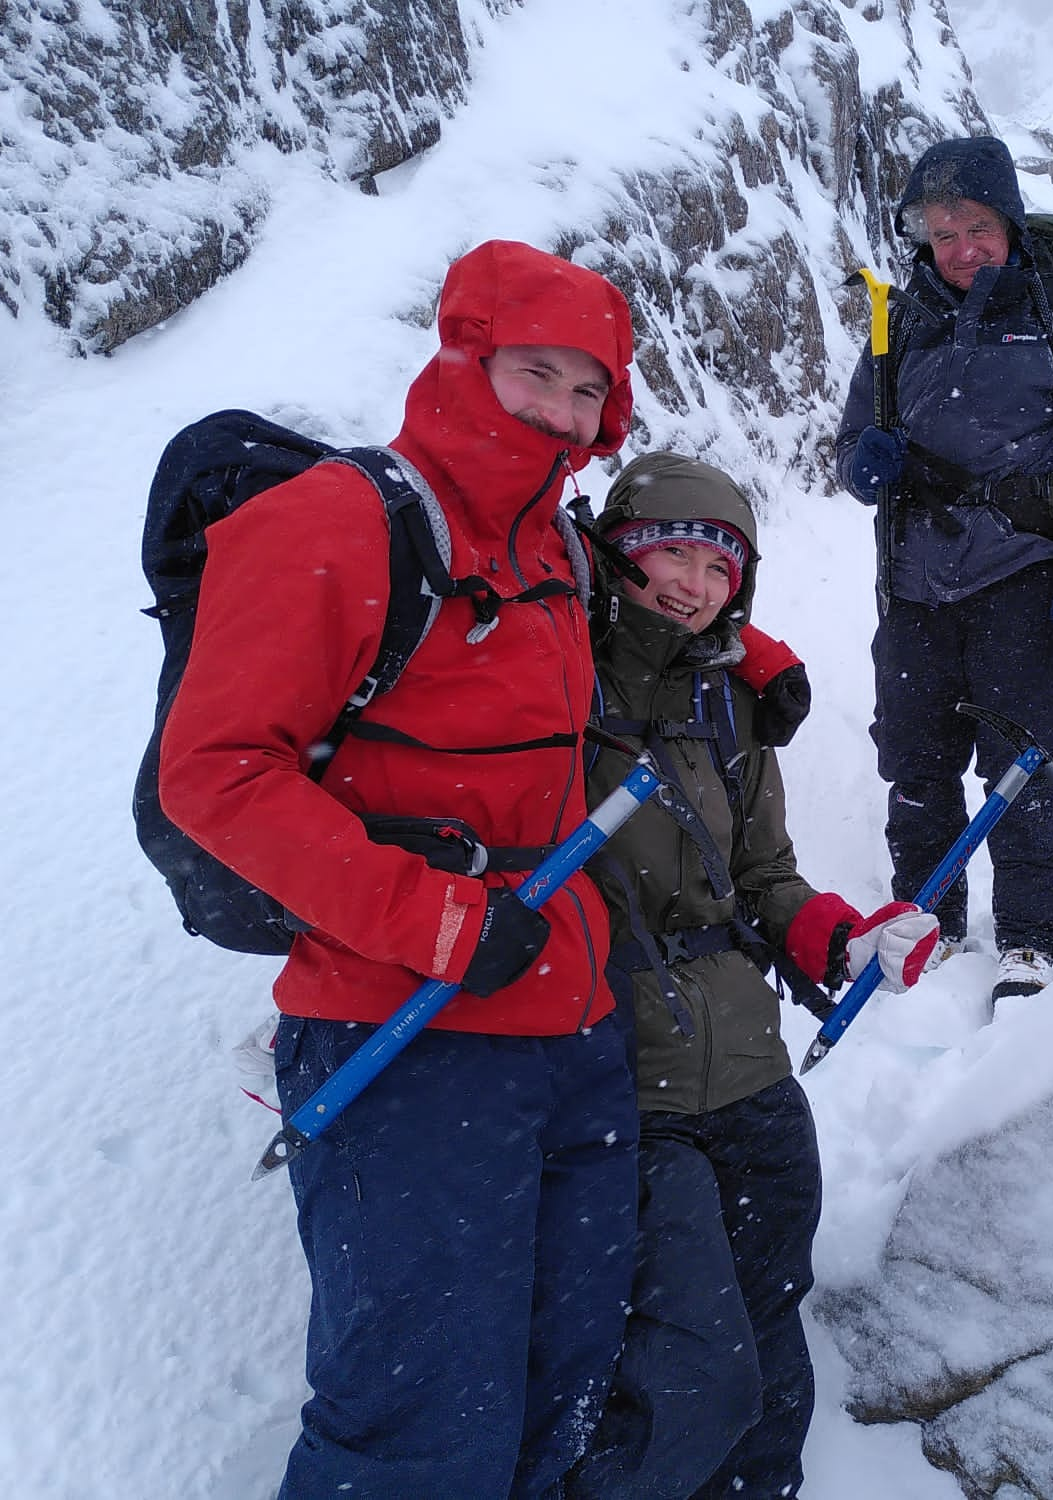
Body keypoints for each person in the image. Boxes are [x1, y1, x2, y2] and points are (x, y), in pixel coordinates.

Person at [160, 239, 641, 1499]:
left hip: (571, 1022)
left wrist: (747, 658)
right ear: (465, 360)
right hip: (405, 1034)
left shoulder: (558, 554)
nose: (562, 412)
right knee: (422, 1430)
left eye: (589, 390)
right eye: (535, 373)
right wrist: (432, 923)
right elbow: (214, 772)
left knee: (559, 1385)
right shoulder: (336, 522)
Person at [566, 451, 940, 1500]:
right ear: (616, 553)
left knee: (772, 1338)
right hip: (626, 1090)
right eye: (670, 553)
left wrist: (840, 940)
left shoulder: (729, 705)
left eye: (720, 566)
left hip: (751, 1076)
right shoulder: (558, 687)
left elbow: (762, 876)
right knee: (693, 1377)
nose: (694, 583)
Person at [832, 134, 1053, 1007]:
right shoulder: (896, 323)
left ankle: (1033, 935)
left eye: (975, 226)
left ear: (1006, 221)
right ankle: (925, 921)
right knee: (915, 766)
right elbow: (851, 443)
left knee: (1025, 764)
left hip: (1022, 575)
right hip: (916, 586)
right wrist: (866, 464)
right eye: (942, 232)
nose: (961, 248)